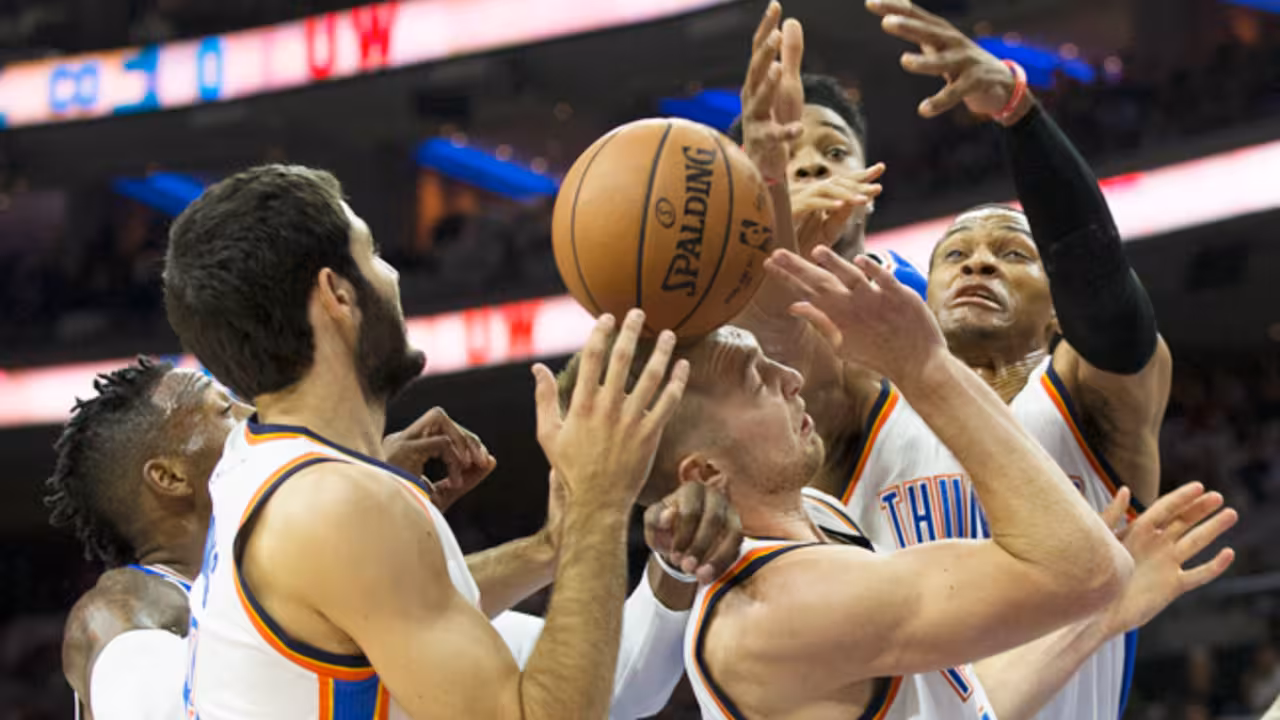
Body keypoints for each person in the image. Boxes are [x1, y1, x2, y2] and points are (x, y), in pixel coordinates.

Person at [557, 247, 1234, 719]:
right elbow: (1085, 569)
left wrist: (1101, 619)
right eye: (756, 379)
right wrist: (923, 364)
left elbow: (969, 703)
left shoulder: (819, 516)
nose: (790, 377)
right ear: (705, 471)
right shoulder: (782, 606)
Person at [732, 3, 1173, 718]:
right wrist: (764, 185)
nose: (979, 264)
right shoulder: (865, 404)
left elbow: (1102, 284)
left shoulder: (1088, 396)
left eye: (1012, 253)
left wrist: (1020, 114)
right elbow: (772, 336)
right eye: (956, 255)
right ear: (924, 297)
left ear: (1056, 307)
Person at [161, 163, 699, 719]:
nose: (393, 274)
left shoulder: (250, 458)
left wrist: (551, 546)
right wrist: (599, 502)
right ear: (337, 295)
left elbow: (392, 607)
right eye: (372, 254)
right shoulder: (335, 506)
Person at [49, 358, 723, 720]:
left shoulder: (373, 623)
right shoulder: (121, 609)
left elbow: (625, 683)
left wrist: (664, 564)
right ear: (168, 477)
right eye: (225, 409)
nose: (253, 415)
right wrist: (339, 513)